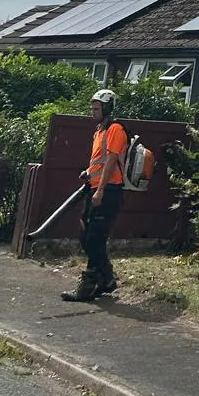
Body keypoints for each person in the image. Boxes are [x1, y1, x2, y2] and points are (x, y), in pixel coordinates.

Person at [60, 89, 126, 303]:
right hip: (93, 188)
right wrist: (88, 173)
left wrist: (101, 190)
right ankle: (106, 279)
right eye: (92, 108)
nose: (92, 112)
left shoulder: (115, 129)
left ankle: (88, 286)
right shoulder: (99, 131)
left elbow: (111, 161)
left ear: (107, 108)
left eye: (96, 108)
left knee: (95, 239)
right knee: (86, 237)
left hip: (108, 192)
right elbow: (98, 161)